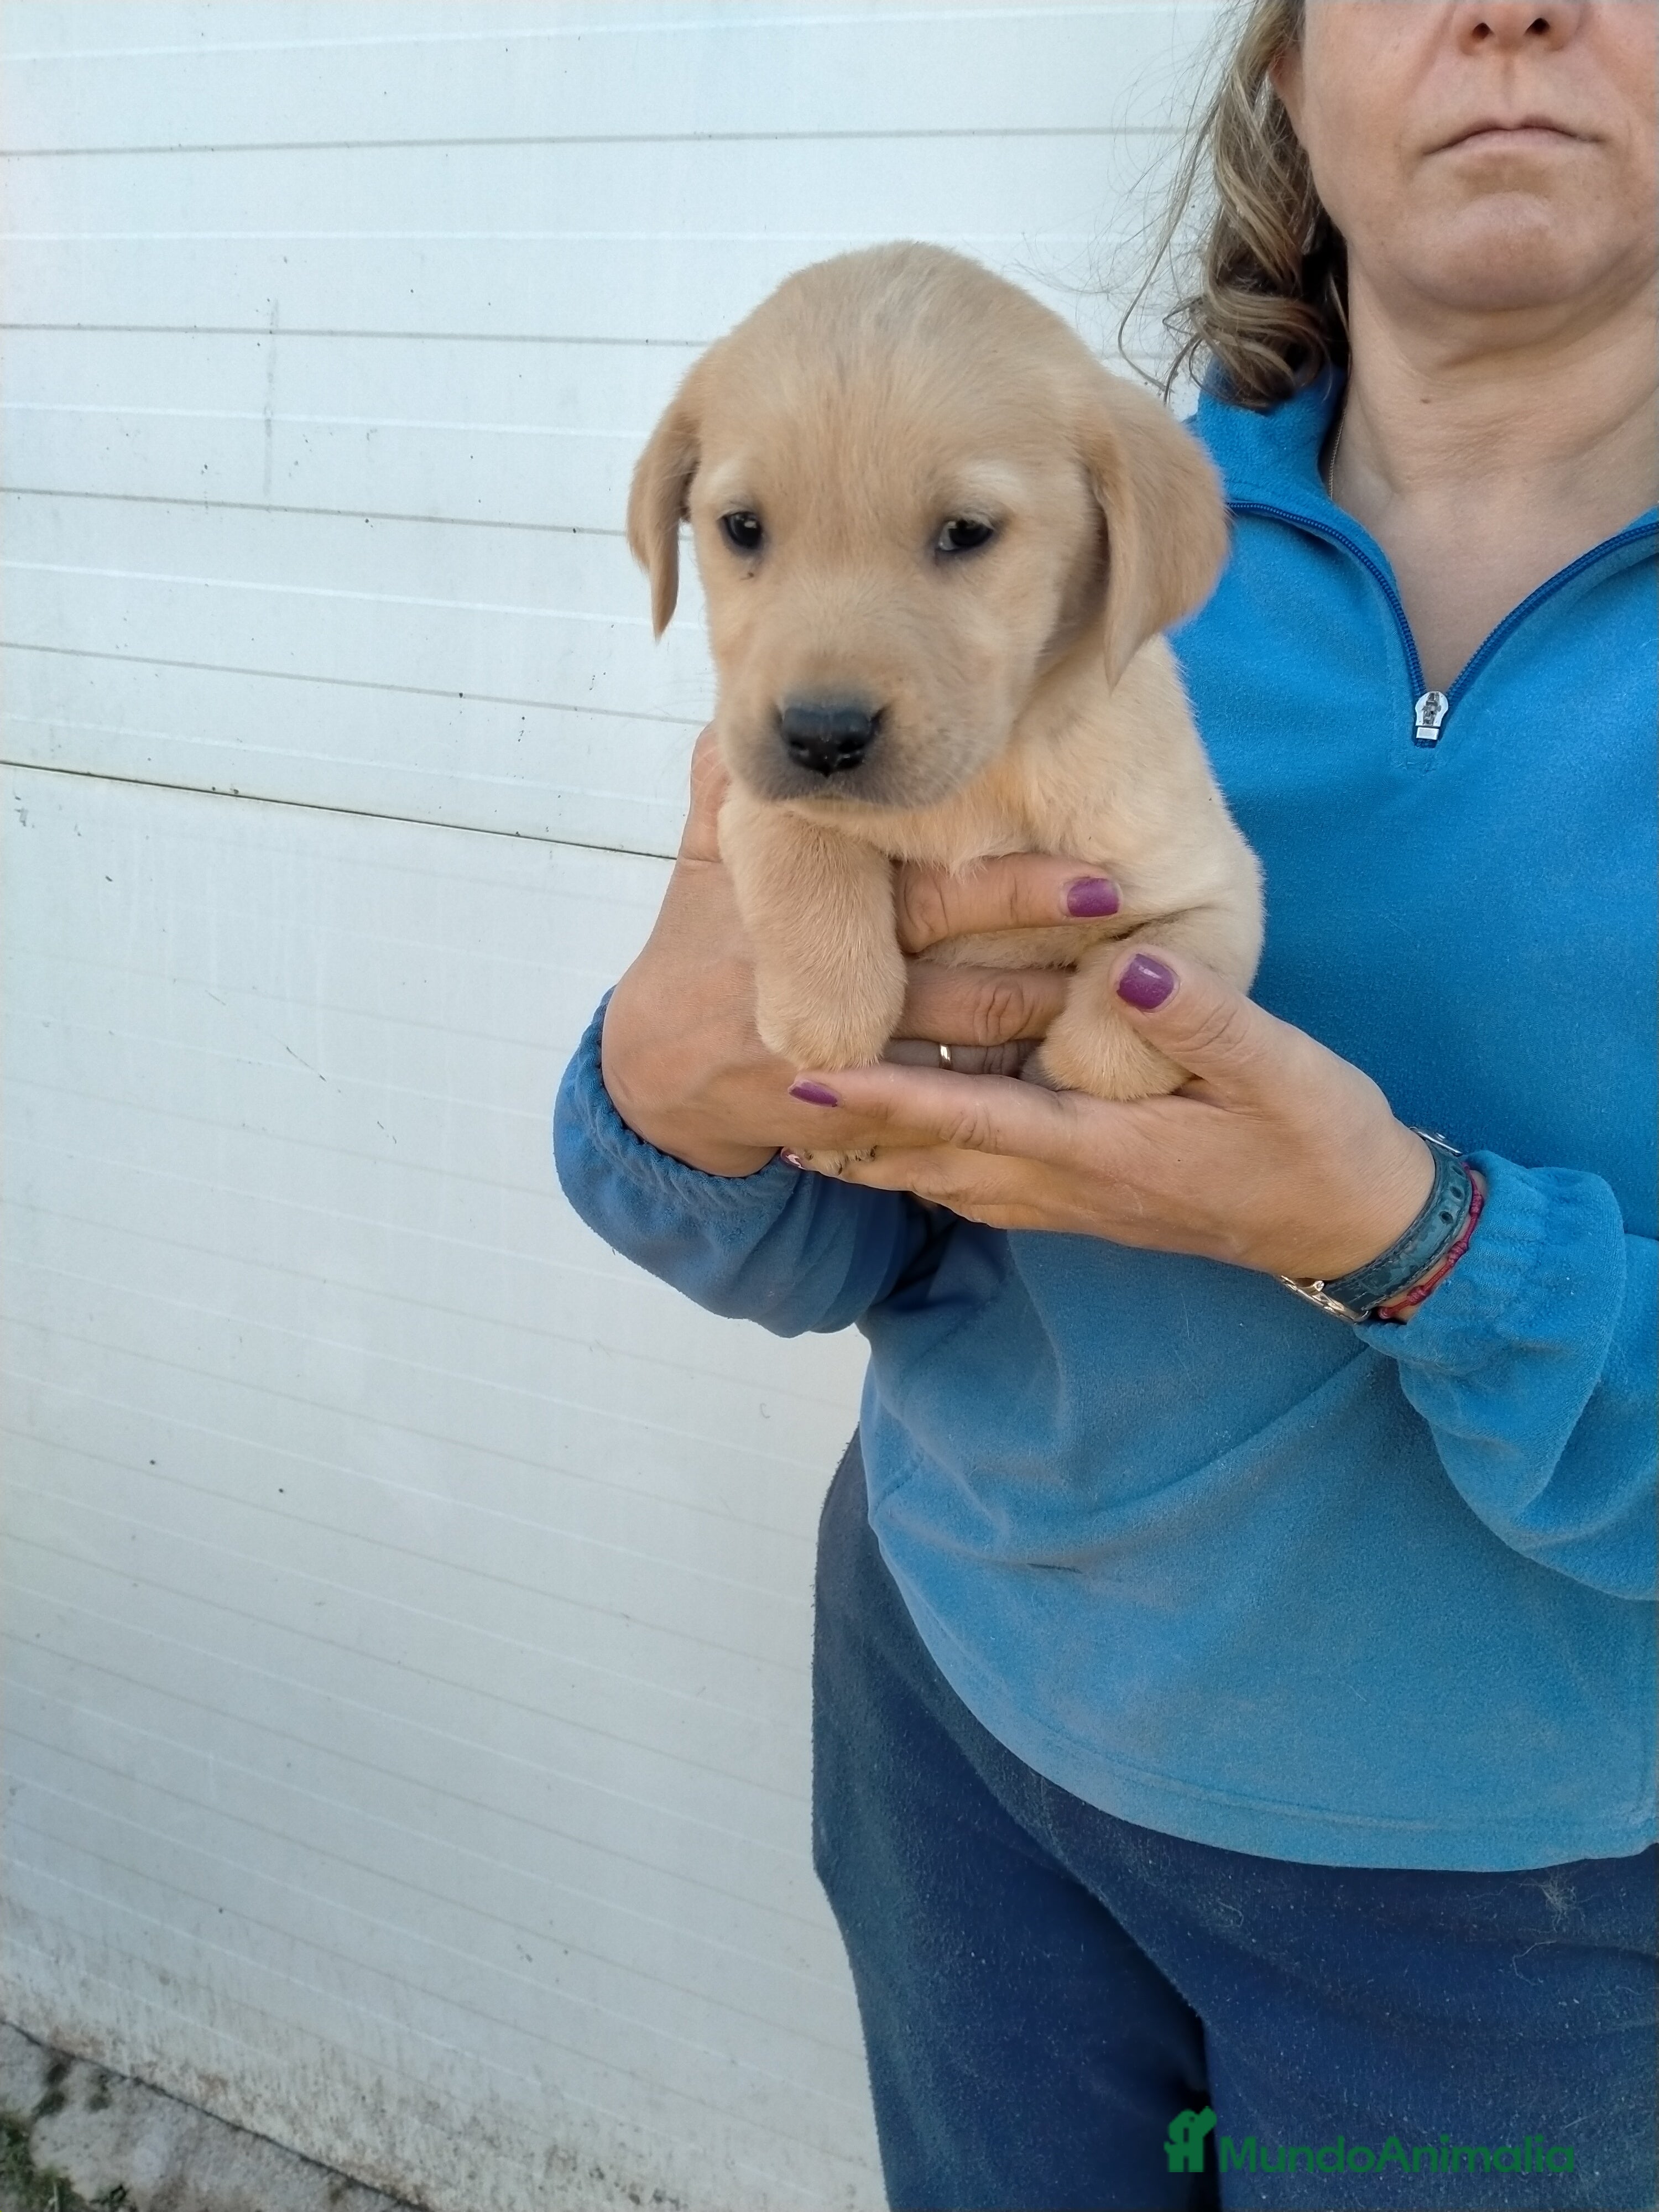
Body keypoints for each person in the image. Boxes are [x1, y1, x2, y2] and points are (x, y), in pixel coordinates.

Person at [555, 2, 1657, 2205]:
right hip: (960, 1731)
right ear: (1285, 66)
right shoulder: (1041, 491)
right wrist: (674, 1098)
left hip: (1517, 1904)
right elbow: (839, 1226)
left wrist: (1414, 1239)